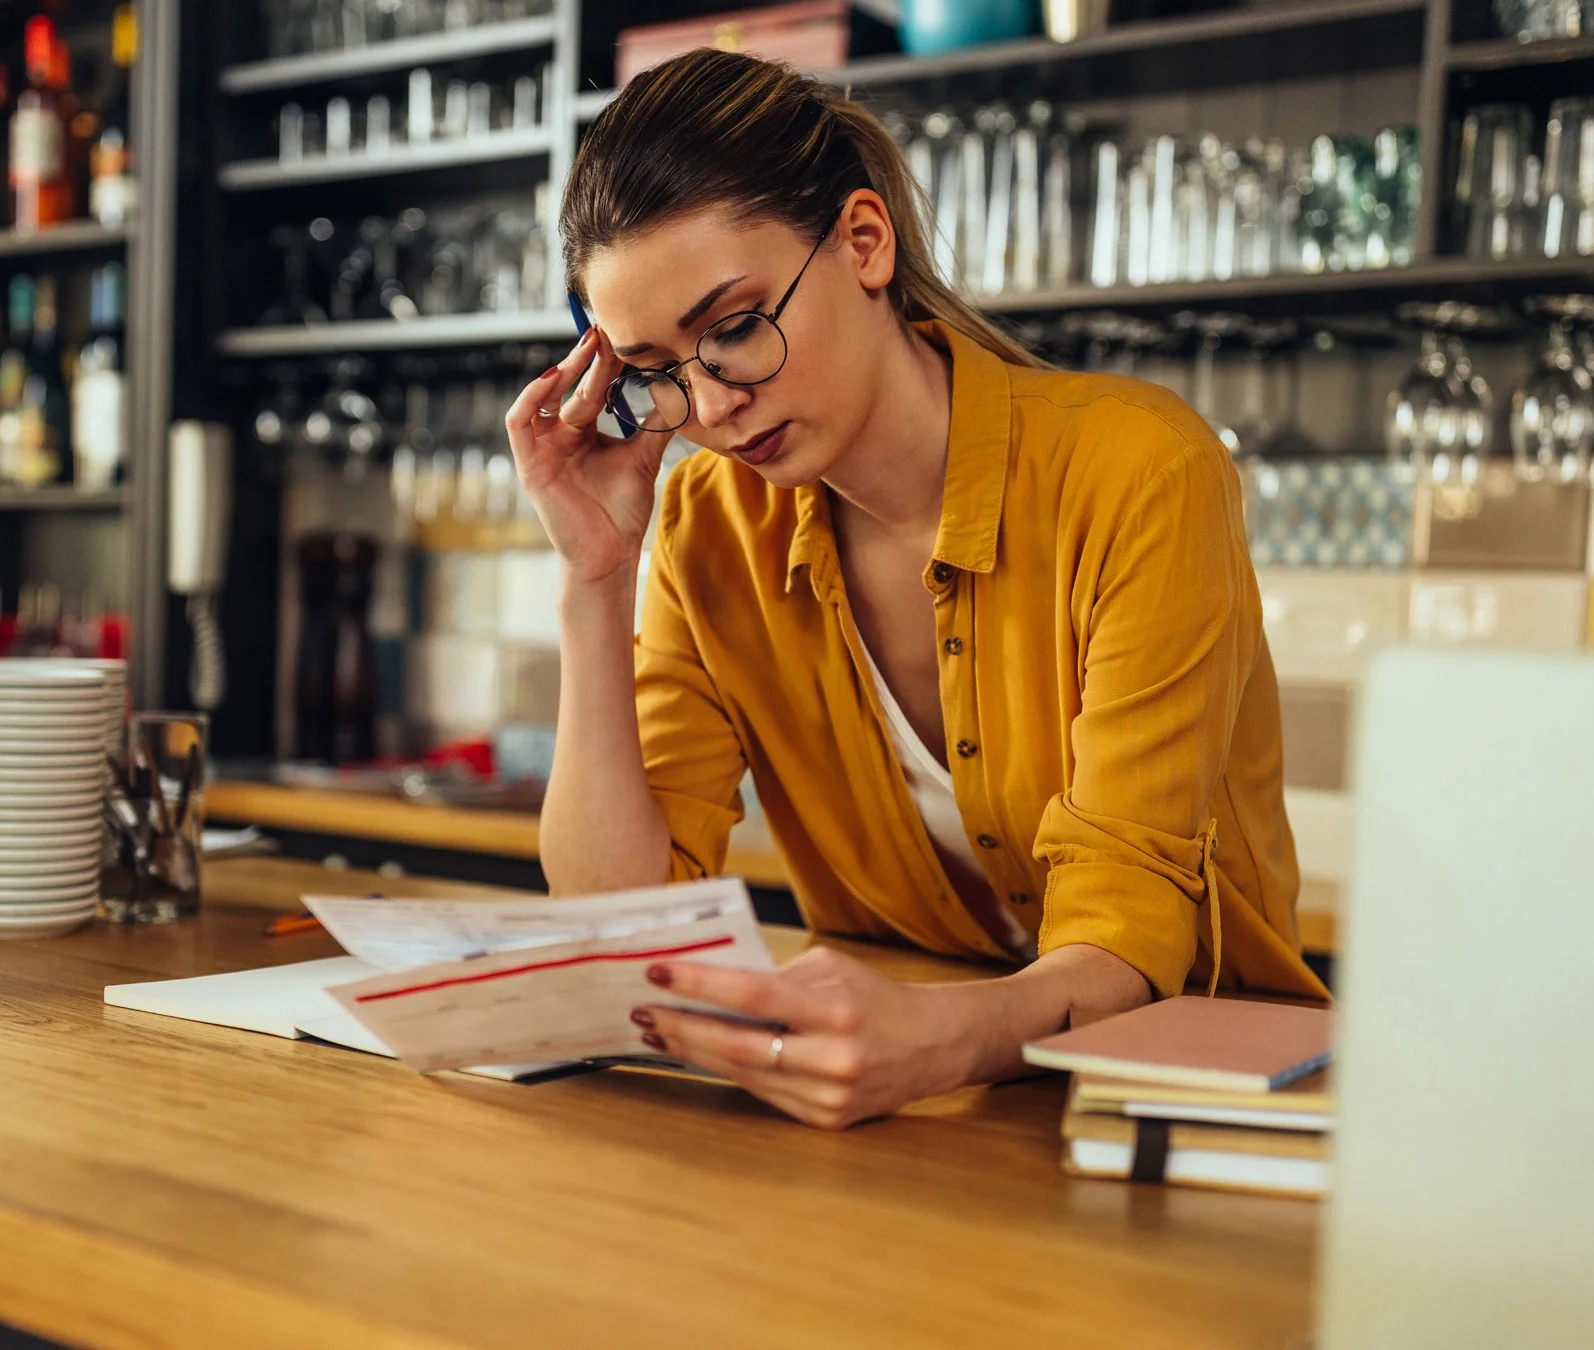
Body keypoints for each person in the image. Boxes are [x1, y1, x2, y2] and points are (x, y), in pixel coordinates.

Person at [507, 49, 1330, 1131]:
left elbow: (1128, 939)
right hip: (905, 1122)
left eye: (737, 328)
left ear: (863, 242)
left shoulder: (1142, 474)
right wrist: (594, 579)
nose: (708, 407)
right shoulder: (710, 529)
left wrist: (933, 1041)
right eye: (657, 369)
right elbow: (620, 924)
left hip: (1188, 1103)